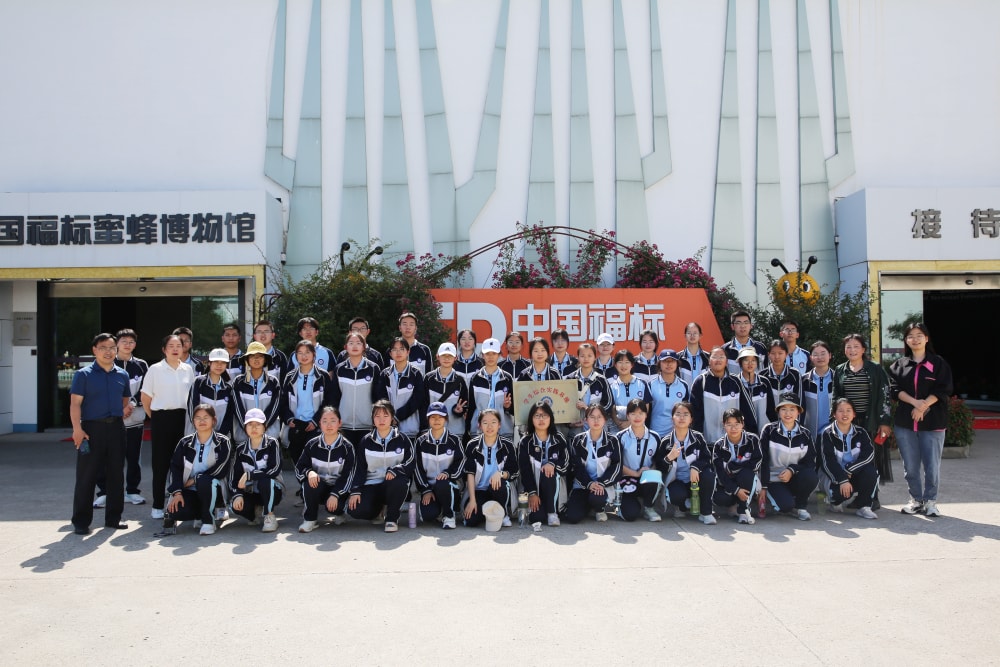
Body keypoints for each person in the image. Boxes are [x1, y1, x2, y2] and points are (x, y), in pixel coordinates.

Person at [69, 333, 133, 535]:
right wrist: (77, 429)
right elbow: (75, 404)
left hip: (116, 428)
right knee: (86, 475)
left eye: (112, 348)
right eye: (103, 347)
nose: (108, 351)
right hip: (90, 430)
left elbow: (125, 400)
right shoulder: (83, 375)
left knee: (116, 474)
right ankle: (81, 521)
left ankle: (114, 518)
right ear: (94, 350)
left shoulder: (122, 374)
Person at [888, 322, 953, 517]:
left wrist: (923, 406)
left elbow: (944, 389)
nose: (914, 339)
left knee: (932, 466)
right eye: (910, 336)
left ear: (926, 338)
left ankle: (931, 501)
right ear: (906, 340)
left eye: (919, 335)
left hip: (933, 423)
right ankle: (915, 500)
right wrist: (915, 403)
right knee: (910, 466)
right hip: (905, 423)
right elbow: (894, 390)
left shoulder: (938, 363)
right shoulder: (899, 365)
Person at [141, 334, 196, 519]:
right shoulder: (155, 369)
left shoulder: (188, 369)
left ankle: (180, 501)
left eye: (178, 345)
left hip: (184, 418)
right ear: (164, 349)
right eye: (171, 346)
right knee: (161, 463)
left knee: (182, 462)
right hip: (161, 418)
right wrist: (156, 418)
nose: (175, 349)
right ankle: (157, 505)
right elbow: (145, 398)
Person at [157, 403, 233, 536]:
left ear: (214, 420)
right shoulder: (185, 443)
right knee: (176, 511)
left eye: (206, 417)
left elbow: (221, 469)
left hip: (215, 489)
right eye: (198, 418)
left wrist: (195, 479)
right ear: (193, 421)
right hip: (190, 490)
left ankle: (208, 521)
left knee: (204, 480)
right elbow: (175, 468)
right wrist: (177, 492)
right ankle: (201, 514)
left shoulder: (223, 442)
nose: (202, 421)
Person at [93, 328, 148, 509]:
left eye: (131, 342)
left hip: (135, 419)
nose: (127, 345)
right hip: (111, 420)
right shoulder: (108, 363)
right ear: (117, 344)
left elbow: (147, 389)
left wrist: (131, 404)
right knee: (106, 457)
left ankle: (132, 490)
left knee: (133, 457)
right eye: (124, 341)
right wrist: (119, 408)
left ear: (135, 345)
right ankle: (104, 492)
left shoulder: (141, 365)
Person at [832, 333, 893, 490]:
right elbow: (836, 397)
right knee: (851, 458)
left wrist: (884, 422)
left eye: (856, 346)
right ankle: (856, 492)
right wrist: (835, 419)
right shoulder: (840, 370)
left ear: (863, 349)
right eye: (848, 347)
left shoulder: (875, 369)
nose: (852, 350)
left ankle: (872, 495)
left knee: (872, 458)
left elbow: (885, 395)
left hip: (871, 421)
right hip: (848, 422)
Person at [348, 400, 415, 532]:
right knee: (356, 510)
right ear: (373, 420)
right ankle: (378, 510)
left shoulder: (402, 439)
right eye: (377, 416)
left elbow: (411, 462)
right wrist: (355, 490)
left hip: (393, 484)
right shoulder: (366, 440)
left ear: (392, 418)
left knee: (400, 481)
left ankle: (391, 518)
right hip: (371, 484)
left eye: (385, 415)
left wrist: (396, 470)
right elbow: (359, 467)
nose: (381, 419)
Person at [296, 406, 358, 533]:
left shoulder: (347, 447)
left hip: (338, 489)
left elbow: (349, 475)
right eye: (325, 421)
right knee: (309, 482)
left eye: (333, 420)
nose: (329, 425)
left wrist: (335, 494)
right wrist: (309, 472)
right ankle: (310, 519)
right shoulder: (312, 444)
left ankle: (339, 513)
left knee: (335, 507)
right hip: (319, 486)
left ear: (339, 423)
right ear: (320, 424)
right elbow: (300, 467)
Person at [654, 401, 716, 524]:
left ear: (691, 419)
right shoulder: (666, 441)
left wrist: (695, 467)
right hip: (677, 481)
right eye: (678, 414)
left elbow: (707, 459)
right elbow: (659, 467)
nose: (681, 417)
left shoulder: (698, 438)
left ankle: (706, 513)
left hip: (696, 479)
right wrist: (668, 458)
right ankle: (681, 507)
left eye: (686, 414)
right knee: (676, 495)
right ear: (672, 418)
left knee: (708, 475)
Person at [280, 339, 337, 473]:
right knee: (298, 460)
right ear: (295, 356)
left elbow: (329, 401)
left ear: (314, 355)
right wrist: (288, 419)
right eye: (300, 353)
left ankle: (313, 484)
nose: (304, 356)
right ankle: (303, 483)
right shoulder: (290, 377)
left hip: (315, 425)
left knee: (314, 461)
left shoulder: (322, 376)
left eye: (307, 352)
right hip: (295, 424)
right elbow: (283, 402)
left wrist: (317, 420)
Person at [759, 393, 818, 520]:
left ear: (798, 412)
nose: (788, 413)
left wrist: (792, 470)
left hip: (794, 477)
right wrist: (763, 485)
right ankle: (787, 502)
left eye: (792, 409)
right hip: (774, 480)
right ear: (778, 411)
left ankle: (801, 507)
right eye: (784, 409)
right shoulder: (769, 430)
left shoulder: (805, 434)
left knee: (811, 476)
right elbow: (762, 459)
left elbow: (810, 462)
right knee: (785, 506)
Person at [818, 398, 880, 519]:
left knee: (871, 472)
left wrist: (849, 470)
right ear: (834, 414)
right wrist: (842, 479)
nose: (845, 414)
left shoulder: (861, 432)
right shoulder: (826, 434)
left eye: (848, 410)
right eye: (840, 411)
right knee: (838, 495)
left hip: (853, 473)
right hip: (833, 476)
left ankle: (864, 507)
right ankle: (834, 502)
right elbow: (827, 462)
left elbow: (869, 455)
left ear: (854, 414)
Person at [517, 401, 571, 531]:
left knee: (547, 472)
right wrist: (532, 492)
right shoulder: (525, 441)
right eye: (537, 415)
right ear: (531, 419)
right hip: (533, 486)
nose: (541, 419)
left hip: (554, 484)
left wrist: (552, 464)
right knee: (537, 517)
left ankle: (552, 512)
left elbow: (566, 463)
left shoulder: (558, 438)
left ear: (550, 418)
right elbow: (524, 470)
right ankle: (543, 507)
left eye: (545, 415)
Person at [565, 406, 622, 524]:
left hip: (602, 485)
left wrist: (601, 483)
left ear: (605, 419)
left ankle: (599, 509)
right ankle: (587, 506)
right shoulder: (578, 440)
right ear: (586, 420)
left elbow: (616, 466)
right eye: (592, 417)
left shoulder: (613, 440)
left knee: (597, 498)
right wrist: (589, 483)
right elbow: (576, 467)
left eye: (599, 417)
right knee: (572, 517)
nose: (596, 420)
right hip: (582, 485)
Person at [229, 408, 283, 533]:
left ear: (264, 427)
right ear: (245, 428)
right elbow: (234, 478)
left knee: (266, 481)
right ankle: (254, 515)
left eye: (258, 424)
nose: (254, 428)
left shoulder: (272, 443)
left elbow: (274, 469)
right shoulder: (241, 449)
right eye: (250, 424)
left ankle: (269, 515)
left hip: (272, 489)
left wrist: (250, 475)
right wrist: (237, 495)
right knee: (236, 506)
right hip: (250, 491)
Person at [414, 402, 466, 528]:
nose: (436, 420)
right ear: (428, 419)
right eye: (433, 417)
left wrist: (448, 473)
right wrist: (425, 490)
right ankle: (440, 509)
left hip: (449, 485)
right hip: (430, 488)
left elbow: (461, 462)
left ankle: (449, 515)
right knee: (428, 516)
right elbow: (417, 469)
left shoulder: (454, 440)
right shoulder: (421, 442)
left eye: (440, 417)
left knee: (442, 482)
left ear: (446, 419)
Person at [462, 409, 518, 528]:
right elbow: (470, 473)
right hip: (479, 491)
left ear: (499, 425)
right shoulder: (472, 445)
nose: (489, 426)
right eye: (485, 422)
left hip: (499, 489)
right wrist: (472, 500)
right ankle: (489, 513)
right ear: (479, 425)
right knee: (470, 521)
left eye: (493, 422)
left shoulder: (508, 445)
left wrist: (500, 474)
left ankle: (502, 513)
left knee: (498, 484)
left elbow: (514, 471)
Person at [712, 408, 763, 525]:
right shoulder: (719, 445)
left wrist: (735, 467)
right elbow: (720, 473)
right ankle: (733, 505)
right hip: (728, 484)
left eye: (737, 424)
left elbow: (756, 463)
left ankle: (743, 510)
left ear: (743, 424)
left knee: (746, 474)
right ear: (724, 425)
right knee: (720, 498)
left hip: (747, 481)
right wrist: (736, 490)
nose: (733, 428)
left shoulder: (752, 440)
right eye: (729, 424)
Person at [616, 398, 662, 522]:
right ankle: (623, 507)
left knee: (653, 477)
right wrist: (635, 473)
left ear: (646, 415)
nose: (637, 417)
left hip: (646, 480)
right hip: (627, 479)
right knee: (630, 515)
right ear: (627, 416)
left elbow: (657, 462)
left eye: (641, 413)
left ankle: (649, 507)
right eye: (633, 413)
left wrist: (648, 472)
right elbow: (617, 464)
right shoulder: (620, 437)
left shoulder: (655, 437)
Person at [230, 341, 282, 442]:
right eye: (252, 356)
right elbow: (237, 408)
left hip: (269, 436)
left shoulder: (273, 382)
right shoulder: (238, 382)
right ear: (247, 359)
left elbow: (275, 408)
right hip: (244, 437)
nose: (256, 359)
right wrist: (248, 427)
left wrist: (262, 426)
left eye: (260, 356)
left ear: (265, 359)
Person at [374, 337, 427, 437]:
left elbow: (417, 399)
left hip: (411, 428)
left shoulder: (416, 374)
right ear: (390, 353)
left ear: (408, 352)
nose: (398, 352)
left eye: (402, 349)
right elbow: (382, 399)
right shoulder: (385, 374)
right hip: (388, 428)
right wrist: (390, 417)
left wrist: (397, 416)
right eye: (394, 349)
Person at [333, 331, 379, 446]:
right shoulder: (339, 369)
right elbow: (334, 397)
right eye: (351, 343)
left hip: (367, 425)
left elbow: (378, 397)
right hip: (344, 425)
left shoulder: (373, 368)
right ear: (345, 347)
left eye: (358, 343)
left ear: (364, 347)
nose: (354, 346)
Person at [689, 346, 741, 445]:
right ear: (709, 361)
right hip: (707, 441)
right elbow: (694, 413)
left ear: (726, 362)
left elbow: (745, 410)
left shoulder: (735, 382)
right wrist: (698, 439)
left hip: (733, 441)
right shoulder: (701, 381)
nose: (718, 360)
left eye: (721, 357)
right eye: (714, 357)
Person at [468, 338, 515, 438]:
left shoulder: (507, 378)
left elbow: (513, 409)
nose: (490, 357)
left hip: (503, 431)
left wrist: (508, 407)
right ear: (482, 355)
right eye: (487, 354)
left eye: (494, 353)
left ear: (499, 355)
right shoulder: (475, 378)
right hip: (479, 431)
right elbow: (471, 406)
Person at [565, 343, 613, 438]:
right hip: (577, 428)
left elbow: (609, 404)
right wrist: (569, 423)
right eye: (582, 356)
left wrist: (590, 411)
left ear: (595, 357)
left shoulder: (601, 380)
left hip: (598, 426)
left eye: (589, 356)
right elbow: (564, 404)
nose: (586, 359)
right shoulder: (570, 379)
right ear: (578, 358)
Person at [186, 348, 236, 438]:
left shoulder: (228, 388)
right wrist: (201, 431)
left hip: (220, 438)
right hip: (197, 435)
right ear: (209, 363)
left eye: (223, 362)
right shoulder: (198, 382)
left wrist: (219, 436)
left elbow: (229, 416)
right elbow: (192, 408)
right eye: (216, 362)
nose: (219, 365)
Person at [423, 342, 469, 438]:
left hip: (455, 432)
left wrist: (459, 410)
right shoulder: (429, 378)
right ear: (437, 356)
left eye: (450, 356)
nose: (446, 359)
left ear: (455, 358)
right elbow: (423, 404)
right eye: (443, 355)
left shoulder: (460, 380)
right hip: (433, 431)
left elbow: (465, 404)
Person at [648, 349, 690, 437]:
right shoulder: (651, 384)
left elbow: (686, 411)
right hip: (655, 433)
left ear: (677, 364)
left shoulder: (683, 385)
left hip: (677, 434)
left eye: (672, 361)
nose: (669, 364)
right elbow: (647, 411)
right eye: (665, 361)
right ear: (659, 363)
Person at [735, 347, 776, 436]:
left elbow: (771, 409)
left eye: (753, 360)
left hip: (764, 431)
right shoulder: (735, 383)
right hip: (741, 433)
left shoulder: (764, 382)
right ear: (740, 362)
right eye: (746, 360)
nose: (750, 363)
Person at [607, 350, 651, 432]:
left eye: (627, 362)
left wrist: (630, 423)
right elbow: (612, 409)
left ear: (632, 365)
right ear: (615, 365)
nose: (623, 365)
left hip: (638, 429)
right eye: (620, 362)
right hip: (617, 429)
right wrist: (618, 423)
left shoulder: (642, 384)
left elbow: (646, 407)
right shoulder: (611, 386)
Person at [802, 341, 835, 439]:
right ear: (811, 357)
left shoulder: (837, 378)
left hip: (832, 433)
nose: (819, 357)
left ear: (830, 355)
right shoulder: (804, 380)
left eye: (823, 354)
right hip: (809, 433)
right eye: (815, 354)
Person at [759, 339, 804, 409]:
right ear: (768, 355)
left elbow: (800, 401)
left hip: (789, 415)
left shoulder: (795, 374)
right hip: (768, 416)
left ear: (786, 354)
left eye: (780, 353)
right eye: (773, 353)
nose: (777, 357)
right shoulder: (762, 376)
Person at [722, 310, 767, 375]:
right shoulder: (725, 349)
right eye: (738, 323)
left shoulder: (760, 348)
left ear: (751, 326)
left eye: (746, 322)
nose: (743, 326)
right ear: (732, 326)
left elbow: (766, 371)